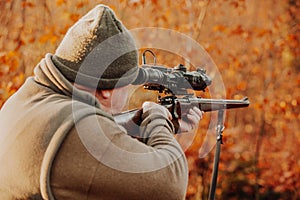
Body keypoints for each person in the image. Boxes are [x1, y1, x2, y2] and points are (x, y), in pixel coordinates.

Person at [0, 4, 203, 200]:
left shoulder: (26, 100)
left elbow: (94, 163)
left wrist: (148, 132)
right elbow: (169, 185)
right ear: (106, 91)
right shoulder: (76, 127)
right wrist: (158, 119)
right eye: (129, 83)